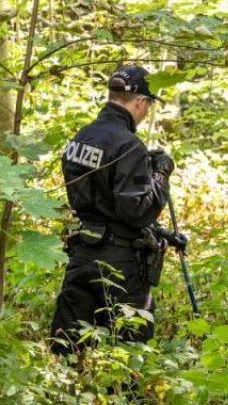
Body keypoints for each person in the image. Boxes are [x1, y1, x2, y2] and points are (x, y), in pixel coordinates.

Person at [49, 64, 179, 357]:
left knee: (69, 345)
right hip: (120, 263)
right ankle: (119, 403)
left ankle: (65, 400)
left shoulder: (81, 137)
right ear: (141, 102)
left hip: (81, 254)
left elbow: (96, 200)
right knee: (128, 348)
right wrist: (161, 174)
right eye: (147, 106)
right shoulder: (129, 145)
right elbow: (137, 211)